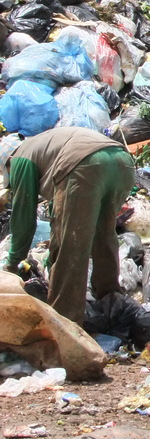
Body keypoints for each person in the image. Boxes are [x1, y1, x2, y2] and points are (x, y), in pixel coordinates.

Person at [1, 128, 135, 324]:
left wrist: (12, 264)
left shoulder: (19, 158)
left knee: (72, 245)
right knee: (103, 234)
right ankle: (110, 300)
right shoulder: (44, 146)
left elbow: (24, 216)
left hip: (86, 165)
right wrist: (51, 264)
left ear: (8, 162)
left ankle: (65, 323)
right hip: (122, 162)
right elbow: (58, 215)